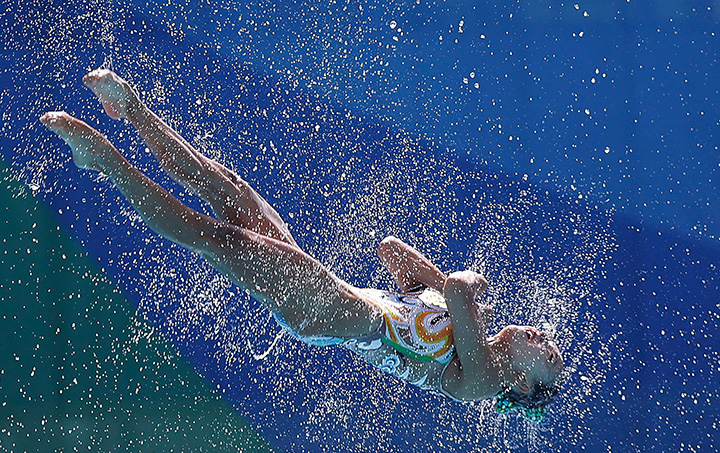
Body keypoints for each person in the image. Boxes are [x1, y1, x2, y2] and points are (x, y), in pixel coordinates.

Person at [40, 69, 564, 421]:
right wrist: (441, 289)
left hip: (333, 312)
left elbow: (457, 286)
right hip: (332, 295)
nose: (542, 335)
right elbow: (391, 251)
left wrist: (466, 286)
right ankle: (132, 113)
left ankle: (105, 159)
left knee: (218, 238)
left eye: (550, 354)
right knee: (230, 192)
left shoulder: (485, 381)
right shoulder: (461, 333)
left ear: (526, 384)